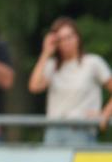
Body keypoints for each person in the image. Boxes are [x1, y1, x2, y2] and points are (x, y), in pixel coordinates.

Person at [28, 17, 112, 145]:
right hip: (54, 131)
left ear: (78, 37)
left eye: (70, 37)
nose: (66, 42)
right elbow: (34, 86)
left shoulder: (92, 63)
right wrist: (45, 53)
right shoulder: (52, 66)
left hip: (81, 131)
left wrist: (104, 115)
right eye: (61, 39)